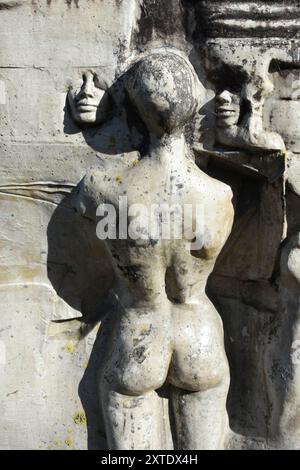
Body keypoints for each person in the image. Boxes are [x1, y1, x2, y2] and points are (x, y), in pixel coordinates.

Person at [74, 50, 234, 449]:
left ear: (132, 107)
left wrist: (103, 111)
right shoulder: (218, 196)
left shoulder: (104, 190)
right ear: (195, 105)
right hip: (200, 337)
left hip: (139, 332)